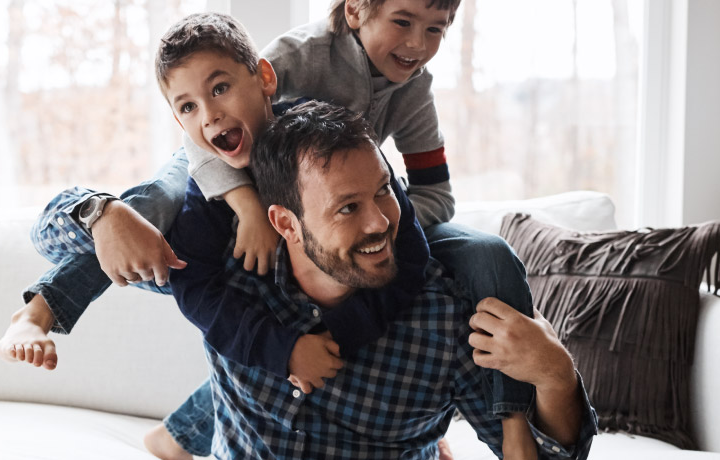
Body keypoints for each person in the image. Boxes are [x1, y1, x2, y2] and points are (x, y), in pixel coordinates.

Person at [0, 4, 536, 457]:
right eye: (402, 21)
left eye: (435, 28)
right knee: (148, 209)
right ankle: (40, 311)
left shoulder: (395, 105)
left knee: (487, 254)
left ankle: (177, 435)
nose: (417, 43)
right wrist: (244, 206)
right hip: (222, 175)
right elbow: (198, 283)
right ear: (354, 10)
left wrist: (367, 223)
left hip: (314, 197)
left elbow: (419, 229)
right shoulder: (289, 65)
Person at [171, 101, 596, 459]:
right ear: (287, 224)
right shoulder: (228, 276)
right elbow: (138, 233)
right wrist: (104, 211)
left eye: (383, 191)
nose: (380, 222)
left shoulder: (447, 320)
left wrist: (557, 376)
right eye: (347, 208)